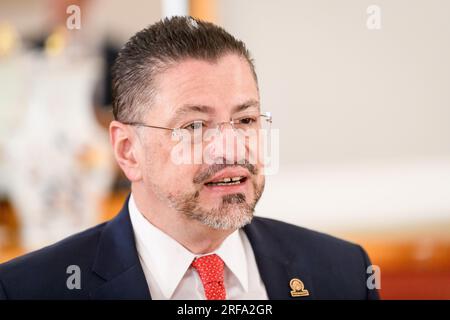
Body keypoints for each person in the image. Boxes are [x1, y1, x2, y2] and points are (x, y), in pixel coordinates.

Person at [0, 16, 379, 300]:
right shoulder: (27, 290)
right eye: (196, 126)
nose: (230, 148)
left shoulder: (344, 273)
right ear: (127, 150)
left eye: (245, 120)